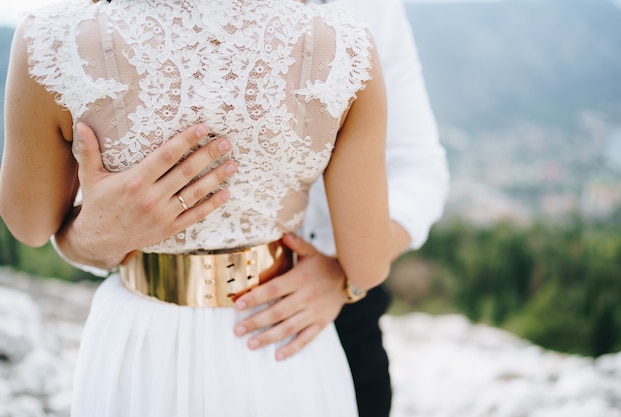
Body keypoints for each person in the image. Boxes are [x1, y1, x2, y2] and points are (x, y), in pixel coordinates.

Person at [51, 0, 449, 416]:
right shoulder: (98, 26)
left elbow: (419, 168)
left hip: (330, 322)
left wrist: (344, 271)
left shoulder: (368, 13)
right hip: (151, 322)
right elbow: (60, 203)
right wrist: (86, 238)